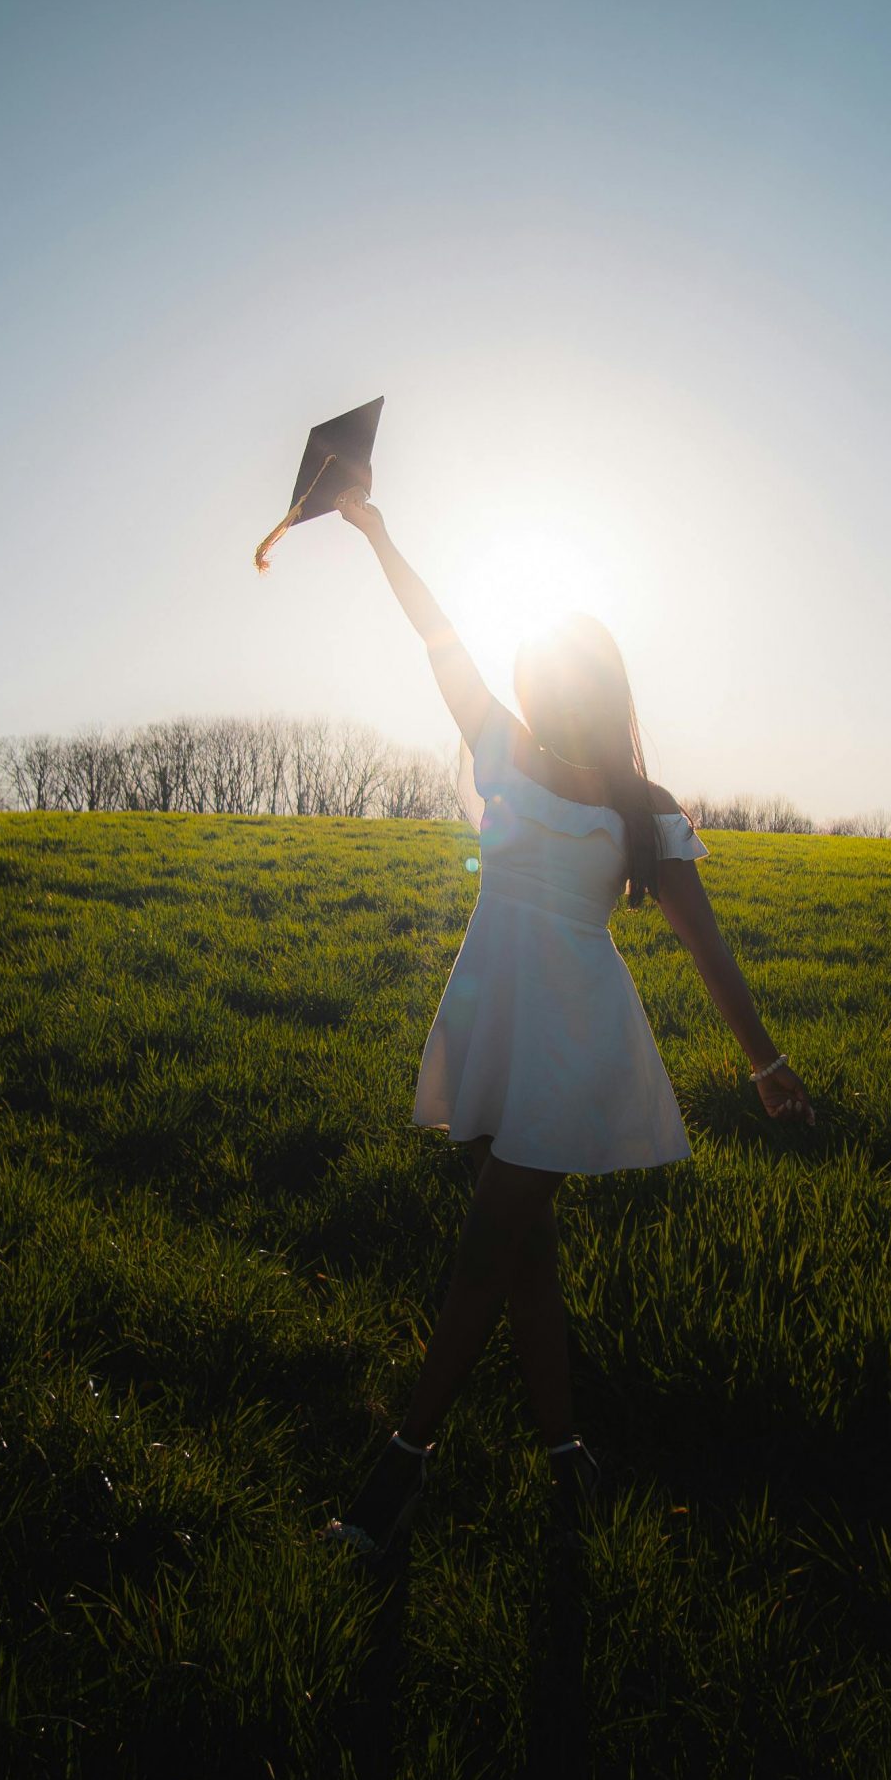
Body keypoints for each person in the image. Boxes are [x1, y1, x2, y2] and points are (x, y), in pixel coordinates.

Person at [326, 491, 815, 1558]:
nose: (541, 687)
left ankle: (399, 1470)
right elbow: (434, 630)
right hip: (497, 1018)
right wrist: (377, 533)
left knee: (483, 1248)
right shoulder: (497, 746)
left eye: (562, 676)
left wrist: (763, 1060)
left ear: (598, 689)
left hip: (575, 1037)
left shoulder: (645, 807)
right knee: (524, 1255)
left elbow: (706, 944)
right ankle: (566, 1458)